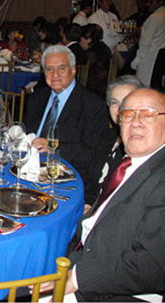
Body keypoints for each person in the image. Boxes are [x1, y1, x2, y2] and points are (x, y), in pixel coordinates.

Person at [37, 88, 165, 301]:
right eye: (128, 115)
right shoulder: (128, 163)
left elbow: (152, 265)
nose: (136, 122)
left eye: (148, 114)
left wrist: (76, 278)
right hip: (82, 257)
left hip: (115, 288)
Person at [23, 45, 110, 204]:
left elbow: (93, 154)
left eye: (61, 68)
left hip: (66, 180)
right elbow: (27, 134)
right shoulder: (37, 98)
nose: (55, 74)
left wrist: (53, 148)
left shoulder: (92, 105)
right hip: (28, 173)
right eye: (49, 69)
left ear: (73, 70)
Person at [83, 75, 144, 210]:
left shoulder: (140, 147)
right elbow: (91, 179)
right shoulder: (108, 137)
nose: (120, 109)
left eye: (126, 101)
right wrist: (88, 203)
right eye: (114, 103)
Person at [130, 0, 165, 86]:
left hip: (150, 54)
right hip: (161, 52)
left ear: (160, 2)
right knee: (156, 81)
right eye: (147, 2)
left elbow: (146, 40)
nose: (148, 4)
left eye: (151, 2)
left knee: (144, 81)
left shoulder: (155, 17)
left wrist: (137, 58)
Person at [80, 24, 112, 100]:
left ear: (89, 40)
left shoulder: (90, 54)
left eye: (81, 40)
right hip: (106, 84)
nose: (80, 43)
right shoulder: (104, 47)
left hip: (94, 88)